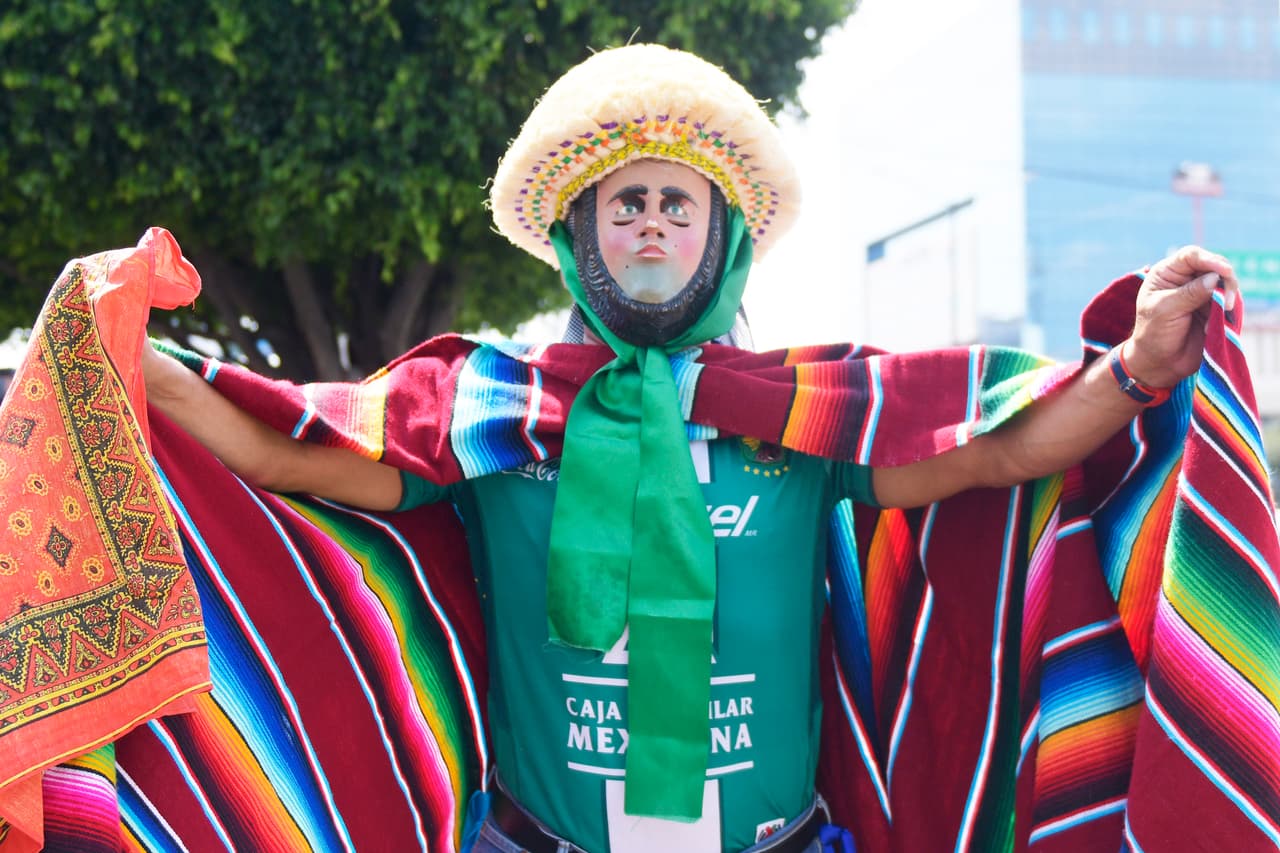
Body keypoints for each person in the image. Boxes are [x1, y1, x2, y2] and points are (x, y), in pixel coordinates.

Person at [135, 45, 1238, 853]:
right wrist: (139, 362)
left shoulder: (807, 410)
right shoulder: (488, 409)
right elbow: (286, 457)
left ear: (724, 240)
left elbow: (998, 454)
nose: (652, 221)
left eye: (677, 202)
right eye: (624, 204)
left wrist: (1137, 366)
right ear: (578, 237)